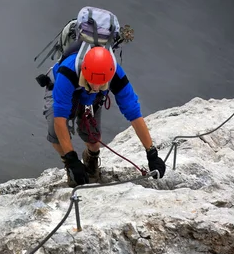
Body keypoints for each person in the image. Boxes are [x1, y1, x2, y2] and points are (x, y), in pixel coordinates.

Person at [43, 46, 166, 186]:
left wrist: (152, 153)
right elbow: (60, 119)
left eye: (101, 84)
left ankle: (91, 162)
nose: (96, 87)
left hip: (90, 99)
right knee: (55, 135)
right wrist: (71, 159)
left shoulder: (115, 74)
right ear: (84, 71)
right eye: (92, 82)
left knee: (94, 141)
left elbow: (134, 113)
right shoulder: (68, 73)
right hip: (61, 91)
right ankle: (70, 168)